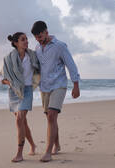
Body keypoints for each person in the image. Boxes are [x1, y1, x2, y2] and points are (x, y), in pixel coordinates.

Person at [31, 21, 81, 162]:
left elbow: (71, 65)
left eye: (40, 36)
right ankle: (57, 145)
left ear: (46, 32)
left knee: (52, 116)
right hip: (44, 87)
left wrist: (76, 85)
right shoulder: (37, 48)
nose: (39, 40)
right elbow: (37, 68)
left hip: (59, 85)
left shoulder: (60, 46)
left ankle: (48, 151)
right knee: (50, 118)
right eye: (36, 38)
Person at [0, 32, 40, 162]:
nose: (26, 41)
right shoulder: (8, 58)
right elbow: (1, 77)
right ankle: (33, 145)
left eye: (27, 39)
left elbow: (41, 68)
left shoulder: (32, 55)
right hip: (14, 92)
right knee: (23, 122)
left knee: (20, 119)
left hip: (27, 90)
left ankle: (19, 153)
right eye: (23, 40)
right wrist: (10, 82)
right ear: (16, 43)